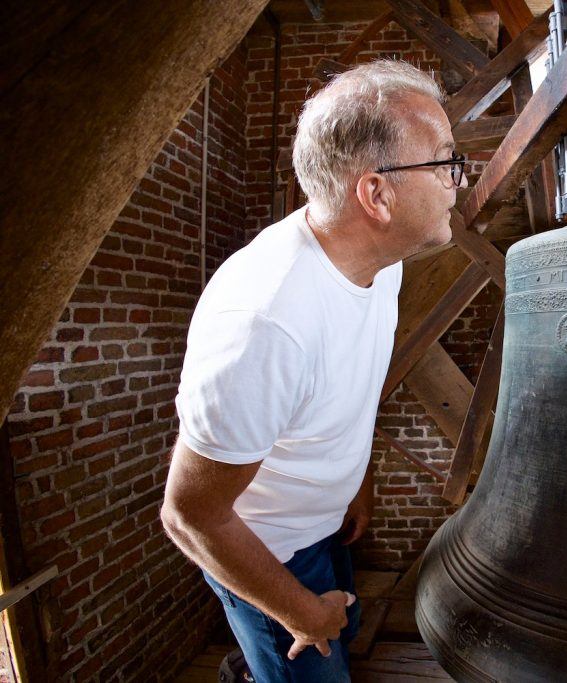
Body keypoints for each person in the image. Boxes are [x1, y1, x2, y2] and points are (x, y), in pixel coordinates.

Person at [161, 59, 468, 682]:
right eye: (443, 162)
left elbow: (344, 383)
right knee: (316, 653)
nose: (458, 180)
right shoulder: (265, 321)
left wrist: (355, 480)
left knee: (344, 630)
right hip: (268, 555)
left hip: (325, 526)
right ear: (376, 195)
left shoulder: (382, 263)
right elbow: (190, 516)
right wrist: (300, 612)